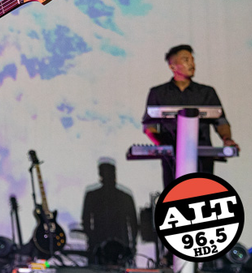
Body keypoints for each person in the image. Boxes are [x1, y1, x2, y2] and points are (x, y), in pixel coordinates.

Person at [141, 44, 239, 188]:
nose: (192, 64)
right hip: (171, 159)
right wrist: (163, 145)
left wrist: (227, 139)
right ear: (173, 66)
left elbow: (221, 121)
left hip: (203, 156)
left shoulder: (206, 92)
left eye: (192, 60)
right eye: (186, 60)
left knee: (203, 200)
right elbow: (149, 126)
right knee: (174, 198)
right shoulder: (158, 93)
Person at [81, 159, 138, 266]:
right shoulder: (125, 197)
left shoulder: (92, 196)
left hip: (109, 246)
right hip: (108, 246)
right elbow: (133, 225)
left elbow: (86, 222)